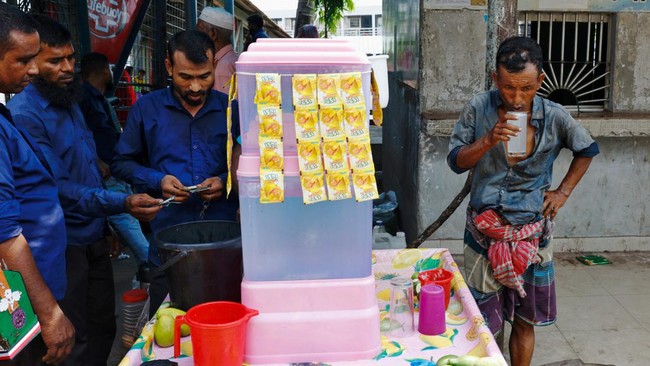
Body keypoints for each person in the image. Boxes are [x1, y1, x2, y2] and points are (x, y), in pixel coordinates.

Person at [7, 15, 162, 366]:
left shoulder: (68, 99)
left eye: (71, 58)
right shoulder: (25, 115)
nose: (67, 68)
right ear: (33, 62)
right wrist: (120, 202)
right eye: (54, 60)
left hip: (92, 233)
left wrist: (107, 225)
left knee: (103, 326)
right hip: (62, 245)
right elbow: (56, 187)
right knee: (70, 338)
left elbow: (89, 167)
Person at [447, 36, 599, 366]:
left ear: (540, 81)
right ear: (495, 80)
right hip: (484, 235)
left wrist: (562, 193)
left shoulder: (556, 117)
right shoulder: (478, 108)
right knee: (483, 324)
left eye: (527, 89)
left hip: (534, 235)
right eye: (509, 88)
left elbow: (587, 150)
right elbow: (456, 161)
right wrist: (488, 140)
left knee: (526, 322)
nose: (517, 99)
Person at [111, 30, 241, 315]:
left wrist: (225, 179)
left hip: (226, 246)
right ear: (169, 67)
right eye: (185, 77)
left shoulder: (232, 110)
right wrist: (158, 180)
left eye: (204, 76)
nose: (195, 87)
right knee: (168, 330)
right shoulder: (147, 109)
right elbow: (121, 162)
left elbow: (250, 165)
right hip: (168, 249)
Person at [0, 4, 75, 365]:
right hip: (22, 302)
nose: (33, 69)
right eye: (22, 59)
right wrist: (49, 314)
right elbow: (5, 233)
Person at [79, 52, 150, 266]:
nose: (113, 73)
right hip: (105, 172)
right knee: (127, 221)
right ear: (102, 71)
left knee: (132, 218)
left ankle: (148, 271)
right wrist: (97, 161)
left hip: (116, 169)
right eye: (110, 69)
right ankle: (155, 267)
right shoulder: (82, 98)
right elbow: (80, 136)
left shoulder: (98, 99)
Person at [197, 6, 237, 94]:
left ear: (213, 34)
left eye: (199, 31)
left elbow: (223, 106)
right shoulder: (230, 59)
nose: (196, 36)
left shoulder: (222, 67)